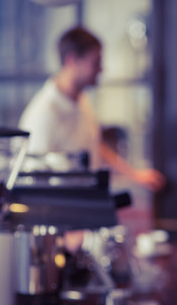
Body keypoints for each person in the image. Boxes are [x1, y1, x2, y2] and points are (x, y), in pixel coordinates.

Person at [19, 26, 165, 192]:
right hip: (64, 213)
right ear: (71, 60)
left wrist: (134, 175)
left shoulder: (82, 99)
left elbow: (94, 144)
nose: (101, 69)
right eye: (95, 62)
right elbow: (33, 183)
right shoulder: (43, 114)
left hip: (86, 204)